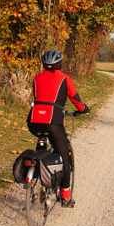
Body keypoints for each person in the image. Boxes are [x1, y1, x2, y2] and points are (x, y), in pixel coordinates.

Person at [27, 50, 89, 207]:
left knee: (41, 148)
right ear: (59, 64)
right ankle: (66, 196)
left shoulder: (36, 77)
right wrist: (83, 109)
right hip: (53, 122)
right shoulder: (64, 78)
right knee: (64, 157)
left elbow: (38, 97)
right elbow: (75, 98)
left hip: (34, 121)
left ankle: (33, 183)